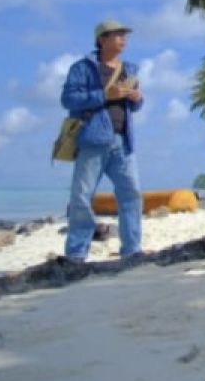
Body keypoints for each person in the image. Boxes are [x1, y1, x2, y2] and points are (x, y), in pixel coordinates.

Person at [60, 19, 145, 260]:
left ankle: (132, 251)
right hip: (93, 141)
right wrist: (104, 95)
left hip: (123, 142)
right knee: (81, 197)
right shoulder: (82, 68)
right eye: (117, 35)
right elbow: (68, 100)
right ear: (102, 40)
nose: (123, 39)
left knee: (131, 195)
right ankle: (76, 255)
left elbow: (134, 108)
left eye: (124, 35)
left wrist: (137, 98)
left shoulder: (129, 69)